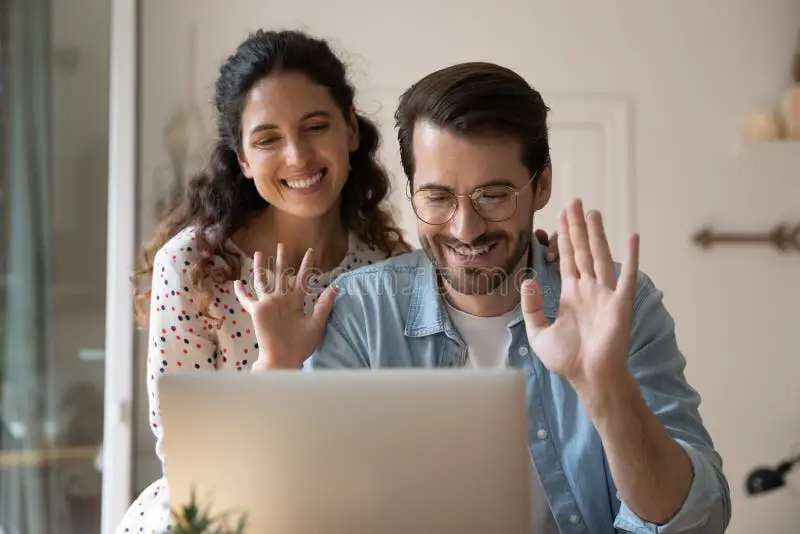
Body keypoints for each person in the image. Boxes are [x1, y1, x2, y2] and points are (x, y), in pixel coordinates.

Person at [240, 62, 732, 533]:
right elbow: (300, 511)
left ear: (541, 185)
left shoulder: (620, 305)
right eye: (437, 197)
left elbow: (699, 521)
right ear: (411, 191)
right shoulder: (359, 314)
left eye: (493, 195)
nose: (465, 228)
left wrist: (606, 390)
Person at [115, 28, 561, 534]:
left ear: (350, 129)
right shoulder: (195, 266)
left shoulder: (383, 261)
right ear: (241, 159)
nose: (298, 157)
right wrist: (275, 361)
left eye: (314, 126)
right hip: (221, 515)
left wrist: (541, 260)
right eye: (267, 140)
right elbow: (187, 457)